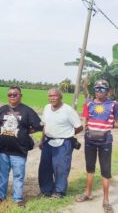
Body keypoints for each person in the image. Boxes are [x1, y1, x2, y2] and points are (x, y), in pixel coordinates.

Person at [0, 86, 43, 207]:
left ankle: (18, 199)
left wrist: (26, 131)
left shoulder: (27, 111)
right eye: (10, 94)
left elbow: (39, 126)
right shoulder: (2, 109)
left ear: (20, 95)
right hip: (2, 150)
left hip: (19, 150)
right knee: (2, 175)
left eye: (15, 94)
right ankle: (0, 197)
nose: (12, 96)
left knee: (18, 176)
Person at [76, 80, 118, 213]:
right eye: (97, 88)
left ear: (108, 90)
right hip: (90, 140)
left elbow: (116, 122)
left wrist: (106, 125)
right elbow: (86, 121)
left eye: (102, 88)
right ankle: (88, 193)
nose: (99, 91)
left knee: (105, 171)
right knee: (90, 168)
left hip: (105, 140)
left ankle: (106, 201)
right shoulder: (88, 103)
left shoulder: (113, 104)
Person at [38, 88, 83, 198]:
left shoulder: (68, 110)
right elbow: (45, 125)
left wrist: (67, 134)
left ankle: (59, 191)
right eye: (50, 96)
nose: (52, 98)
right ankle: (46, 190)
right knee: (45, 167)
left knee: (61, 167)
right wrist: (42, 139)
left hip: (64, 142)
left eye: (55, 96)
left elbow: (79, 127)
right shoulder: (47, 108)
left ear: (60, 97)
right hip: (48, 141)